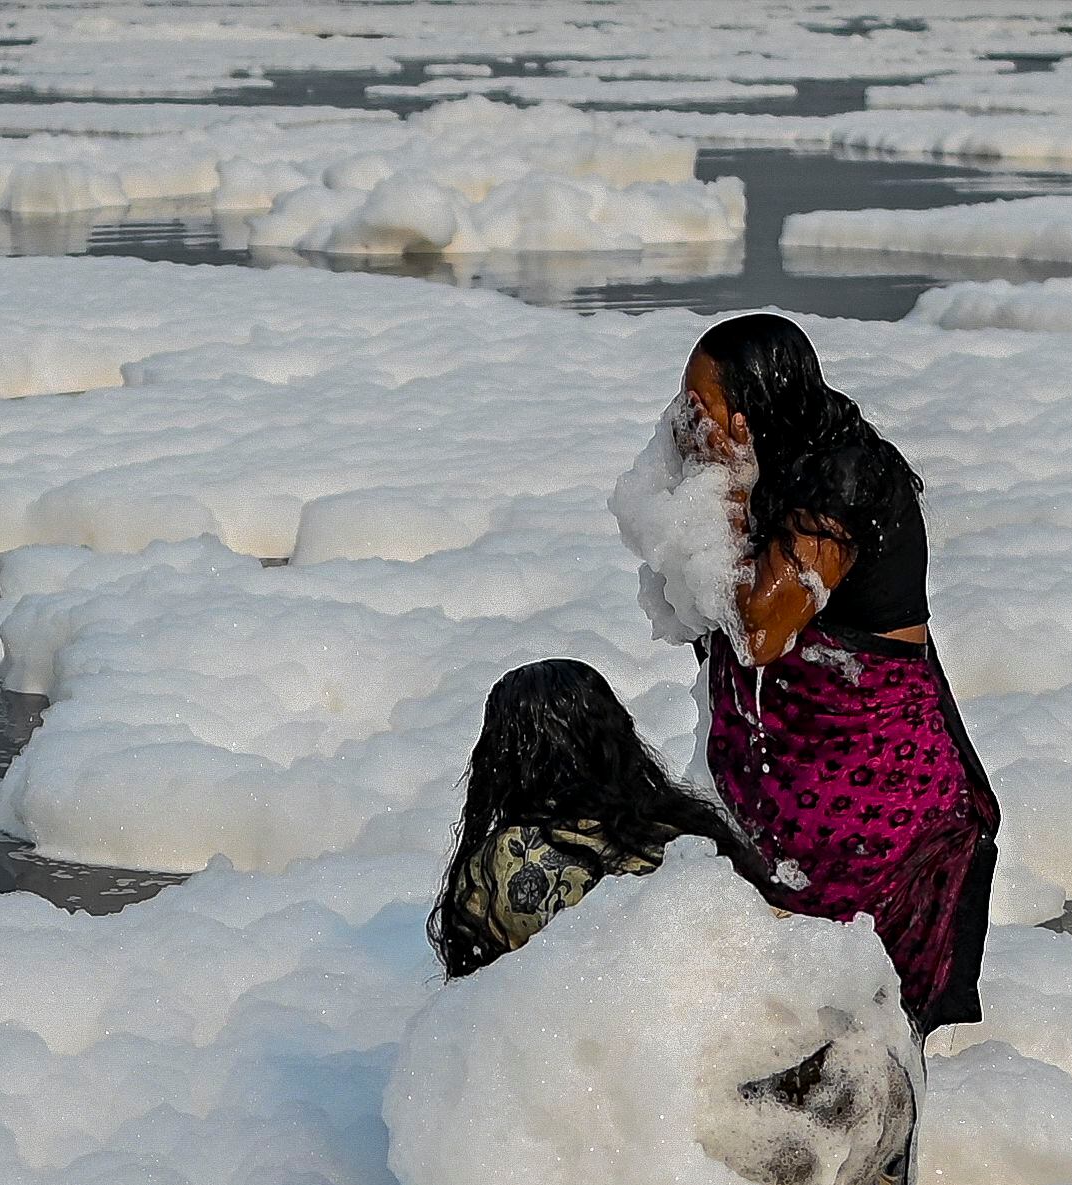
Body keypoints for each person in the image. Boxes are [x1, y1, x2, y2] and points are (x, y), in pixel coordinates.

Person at [671, 312, 1003, 1033]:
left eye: (703, 404)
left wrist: (723, 492)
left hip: (864, 770)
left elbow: (760, 631)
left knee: (848, 966)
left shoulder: (843, 478)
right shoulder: (781, 465)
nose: (691, 421)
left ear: (752, 404)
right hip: (796, 772)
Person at [429, 659, 776, 978]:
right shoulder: (686, 832)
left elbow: (473, 991)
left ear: (502, 760)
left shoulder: (498, 863)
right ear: (615, 739)